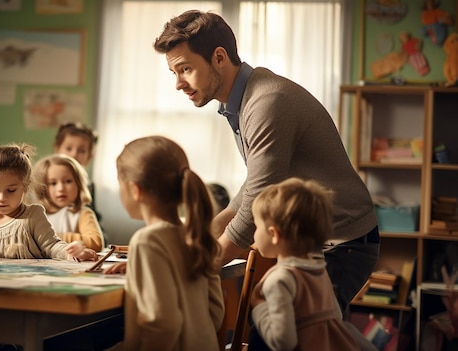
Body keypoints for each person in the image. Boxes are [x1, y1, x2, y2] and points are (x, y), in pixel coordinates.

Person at [153, 10, 379, 314]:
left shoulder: (266, 102)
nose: (179, 83)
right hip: (318, 242)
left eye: (185, 69)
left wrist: (199, 268)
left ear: (219, 58)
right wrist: (210, 230)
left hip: (343, 242)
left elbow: (257, 197)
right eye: (175, 73)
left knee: (283, 337)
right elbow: (257, 180)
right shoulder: (243, 100)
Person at [104, 135, 224, 350]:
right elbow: (215, 312)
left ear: (135, 190)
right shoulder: (193, 234)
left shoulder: (148, 241)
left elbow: (163, 324)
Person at [248, 177, 358, 350]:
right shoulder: (319, 270)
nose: (254, 235)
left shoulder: (279, 279)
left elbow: (284, 342)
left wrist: (259, 306)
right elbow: (335, 316)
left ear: (274, 234)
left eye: (256, 227)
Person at [0, 143, 97, 261]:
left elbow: (52, 246)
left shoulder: (33, 216)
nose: (1, 197)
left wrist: (70, 252)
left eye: (11, 190)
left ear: (25, 186)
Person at [31, 154, 104, 252]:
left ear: (79, 184)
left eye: (68, 181)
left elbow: (96, 242)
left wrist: (57, 236)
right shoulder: (36, 215)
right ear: (42, 188)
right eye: (53, 183)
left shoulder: (83, 214)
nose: (61, 188)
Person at [52, 122, 104, 225]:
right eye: (68, 148)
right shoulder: (44, 180)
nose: (74, 154)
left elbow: (93, 218)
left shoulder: (88, 185)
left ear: (89, 156)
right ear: (57, 148)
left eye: (81, 151)